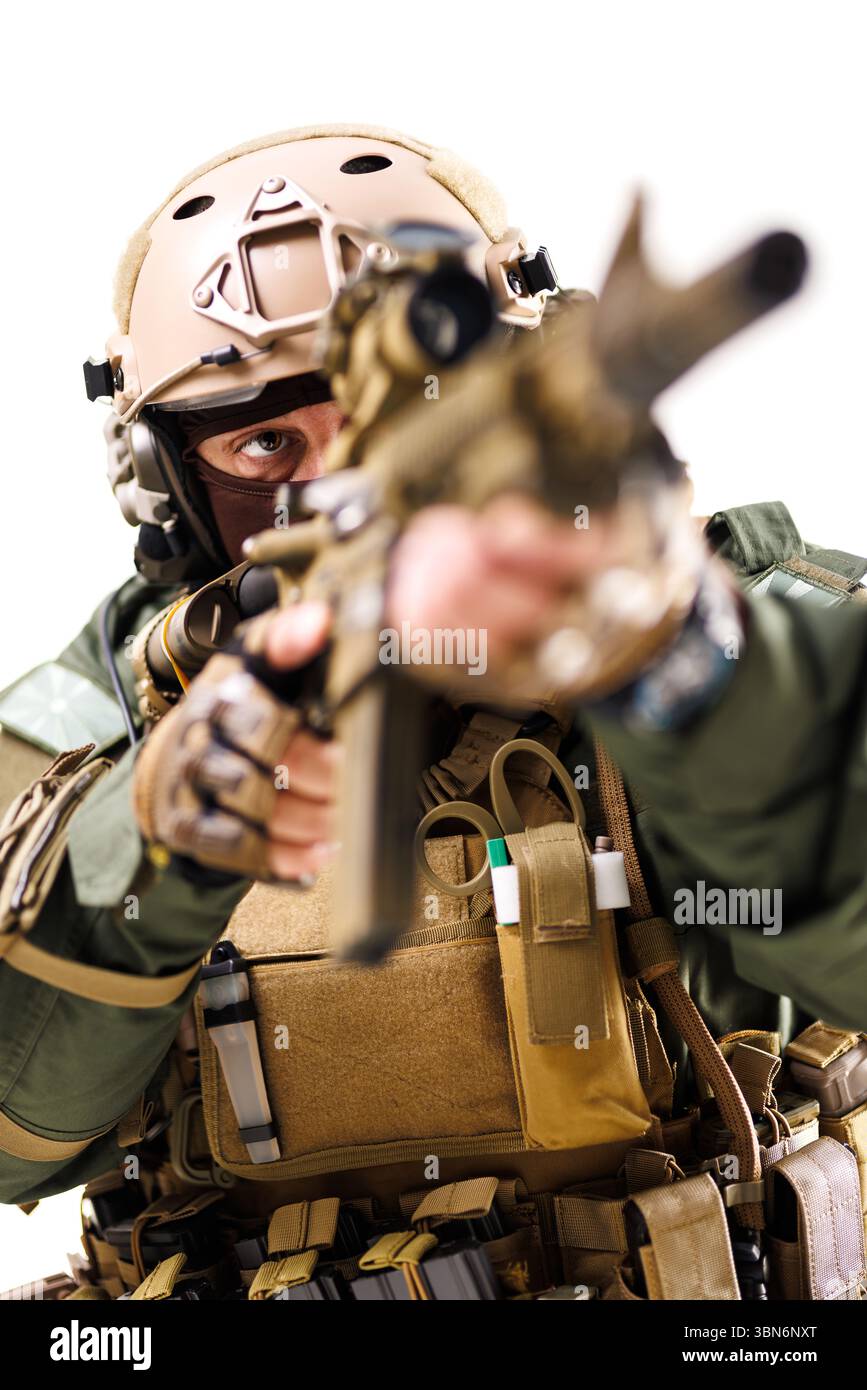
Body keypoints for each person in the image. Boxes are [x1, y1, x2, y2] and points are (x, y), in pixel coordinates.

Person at [1, 124, 865, 1302]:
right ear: (173, 488)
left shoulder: (750, 626)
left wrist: (679, 673)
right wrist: (146, 850)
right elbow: (13, 1135)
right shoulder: (94, 717)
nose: (349, 485)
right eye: (265, 442)